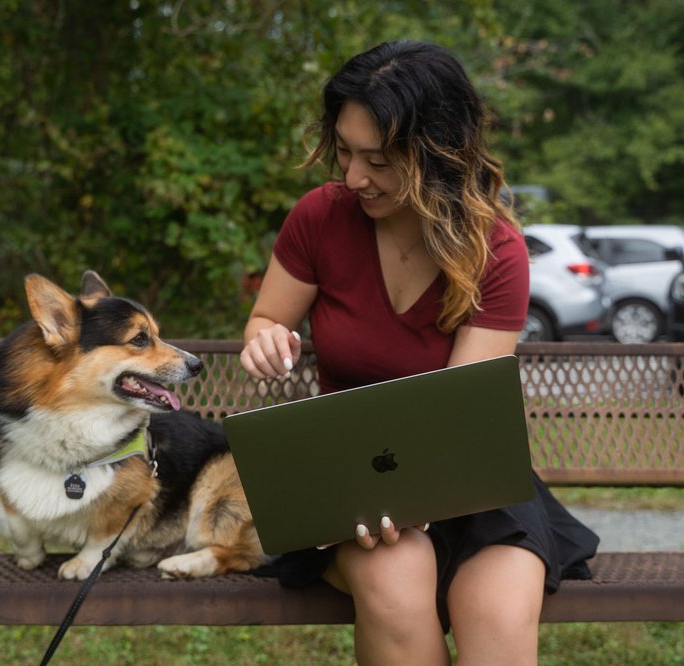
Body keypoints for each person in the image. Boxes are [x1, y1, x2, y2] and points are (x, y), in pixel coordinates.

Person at [239, 41, 599, 665]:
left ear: (437, 154)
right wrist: (265, 338)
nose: (353, 177)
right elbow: (266, 318)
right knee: (395, 585)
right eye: (346, 153)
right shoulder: (320, 219)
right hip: (354, 484)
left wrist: (421, 502)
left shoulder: (495, 248)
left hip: (467, 480)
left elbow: (458, 415)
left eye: (377, 160)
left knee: (500, 616)